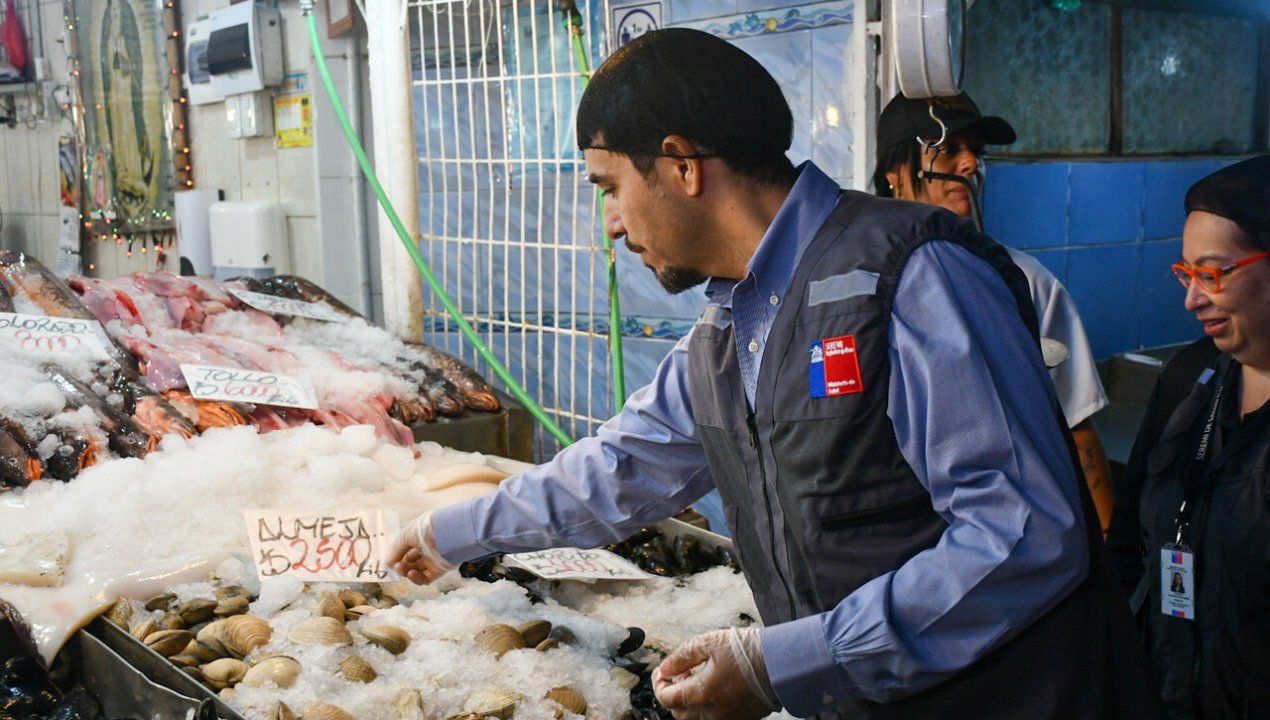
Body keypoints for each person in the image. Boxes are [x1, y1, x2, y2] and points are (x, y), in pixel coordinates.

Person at [389, 29, 1155, 719]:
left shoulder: (913, 275)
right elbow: (619, 470)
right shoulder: (728, 328)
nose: (612, 224)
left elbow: (1022, 538)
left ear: (683, 166)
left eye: (609, 188)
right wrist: (444, 534)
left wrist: (781, 662)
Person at [873, 92, 1116, 535]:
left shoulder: (1025, 281)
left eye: (977, 152)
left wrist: (1111, 556)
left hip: (1009, 541)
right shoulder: (856, 284)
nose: (970, 165)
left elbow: (1077, 431)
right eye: (948, 150)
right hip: (892, 543)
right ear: (894, 172)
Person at [1107, 155, 1270, 719]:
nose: (1191, 299)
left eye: (1213, 273)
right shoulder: (1189, 381)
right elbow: (1129, 543)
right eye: (1186, 273)